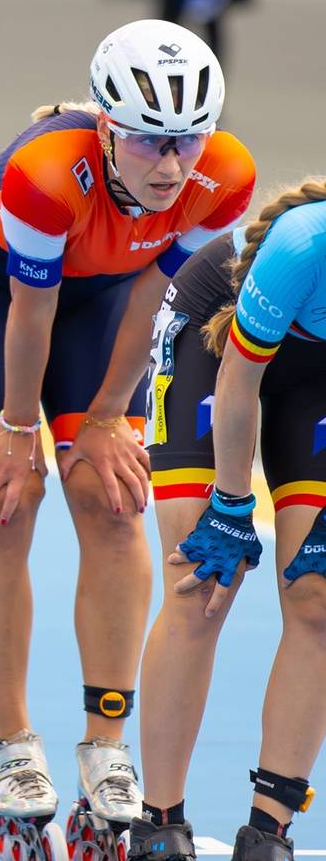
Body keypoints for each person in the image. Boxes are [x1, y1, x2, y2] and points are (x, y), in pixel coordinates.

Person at [0, 17, 255, 860]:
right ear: (105, 127)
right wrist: (19, 427)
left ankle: (107, 746)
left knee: (111, 497)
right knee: (7, 498)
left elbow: (152, 299)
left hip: (106, 298)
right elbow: (32, 313)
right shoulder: (41, 177)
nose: (172, 165)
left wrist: (105, 418)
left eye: (187, 141)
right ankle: (12, 747)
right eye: (149, 143)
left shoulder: (226, 177)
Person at [133, 180, 326, 861]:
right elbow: (238, 385)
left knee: (319, 596)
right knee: (202, 578)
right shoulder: (306, 244)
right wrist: (232, 503)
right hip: (216, 343)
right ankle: (158, 822)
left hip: (317, 378)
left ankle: (267, 832)